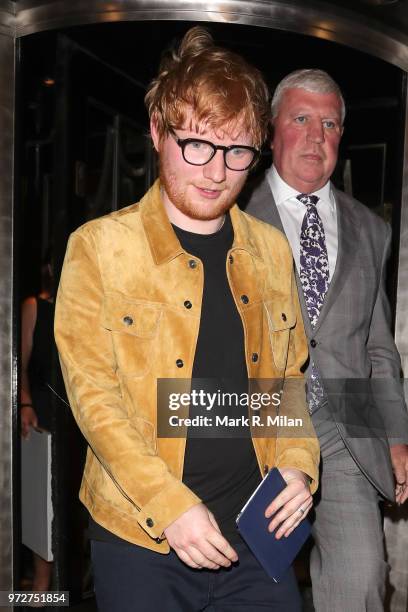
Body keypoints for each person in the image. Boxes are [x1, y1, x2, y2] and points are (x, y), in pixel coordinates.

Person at [55, 28, 319, 612]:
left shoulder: (272, 251)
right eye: (196, 144)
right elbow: (93, 397)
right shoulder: (99, 247)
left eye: (237, 151)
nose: (216, 170)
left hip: (260, 536)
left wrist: (298, 468)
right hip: (143, 539)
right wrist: (170, 504)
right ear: (156, 132)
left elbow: (289, 381)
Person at [243, 68, 408, 612]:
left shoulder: (371, 229)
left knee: (363, 579)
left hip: (347, 430)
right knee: (252, 585)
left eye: (330, 123)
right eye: (301, 119)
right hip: (258, 422)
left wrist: (397, 436)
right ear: (271, 132)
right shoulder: (231, 213)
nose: (316, 136)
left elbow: (377, 346)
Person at [21, 256, 55, 594]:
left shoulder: (87, 303)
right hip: (44, 411)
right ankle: (42, 591)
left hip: (82, 414)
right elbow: (20, 361)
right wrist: (25, 402)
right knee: (42, 503)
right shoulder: (35, 306)